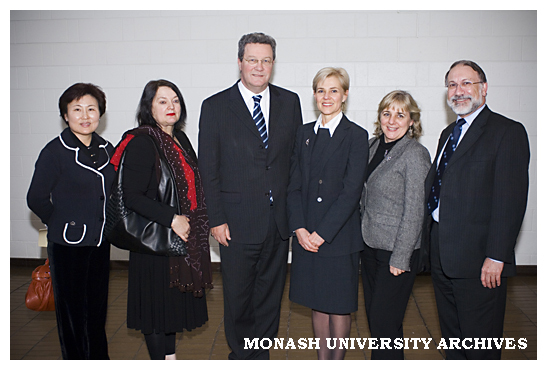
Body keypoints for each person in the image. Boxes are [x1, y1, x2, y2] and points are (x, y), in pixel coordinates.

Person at [198, 32, 303, 360]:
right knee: (239, 296)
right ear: (240, 62)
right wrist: (216, 218)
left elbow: (295, 163)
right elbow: (208, 169)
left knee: (271, 295)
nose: (259, 66)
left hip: (277, 222)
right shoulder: (215, 106)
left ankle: (261, 355)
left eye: (266, 60)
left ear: (274, 63)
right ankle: (241, 356)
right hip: (235, 223)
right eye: (253, 59)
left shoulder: (290, 102)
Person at [422, 60, 530, 360]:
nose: (459, 91)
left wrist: (496, 256)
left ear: (484, 88)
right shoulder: (449, 133)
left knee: (480, 344)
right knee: (453, 340)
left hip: (480, 262)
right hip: (444, 256)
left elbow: (510, 201)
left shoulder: (506, 132)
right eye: (452, 85)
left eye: (466, 83)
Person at [111, 79, 213, 360]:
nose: (171, 106)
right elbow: (131, 196)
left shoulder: (179, 138)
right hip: (155, 245)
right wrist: (171, 219)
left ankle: (170, 359)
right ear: (149, 107)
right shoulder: (143, 142)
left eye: (175, 100)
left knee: (170, 313)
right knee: (156, 316)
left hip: (180, 244)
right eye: (162, 101)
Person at [27, 83, 115, 359]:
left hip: (100, 243)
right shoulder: (54, 151)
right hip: (67, 247)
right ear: (65, 115)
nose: (85, 115)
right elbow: (36, 198)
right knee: (73, 318)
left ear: (100, 113)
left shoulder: (107, 148)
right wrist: (60, 223)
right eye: (77, 109)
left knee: (97, 312)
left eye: (91, 109)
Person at [287, 67, 369, 360]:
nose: (327, 96)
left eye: (334, 90)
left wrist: (322, 234)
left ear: (345, 95)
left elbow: (351, 192)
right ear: (314, 94)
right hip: (306, 235)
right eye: (321, 90)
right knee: (317, 303)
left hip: (338, 238)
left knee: (338, 305)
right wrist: (299, 228)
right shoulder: (303, 133)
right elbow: (293, 185)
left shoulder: (357, 136)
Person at [360, 90, 431, 359]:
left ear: (411, 120)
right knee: (382, 326)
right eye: (387, 113)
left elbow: (415, 210)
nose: (392, 120)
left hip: (396, 254)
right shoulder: (371, 146)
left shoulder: (415, 154)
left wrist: (401, 257)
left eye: (400, 114)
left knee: (383, 325)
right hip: (369, 248)